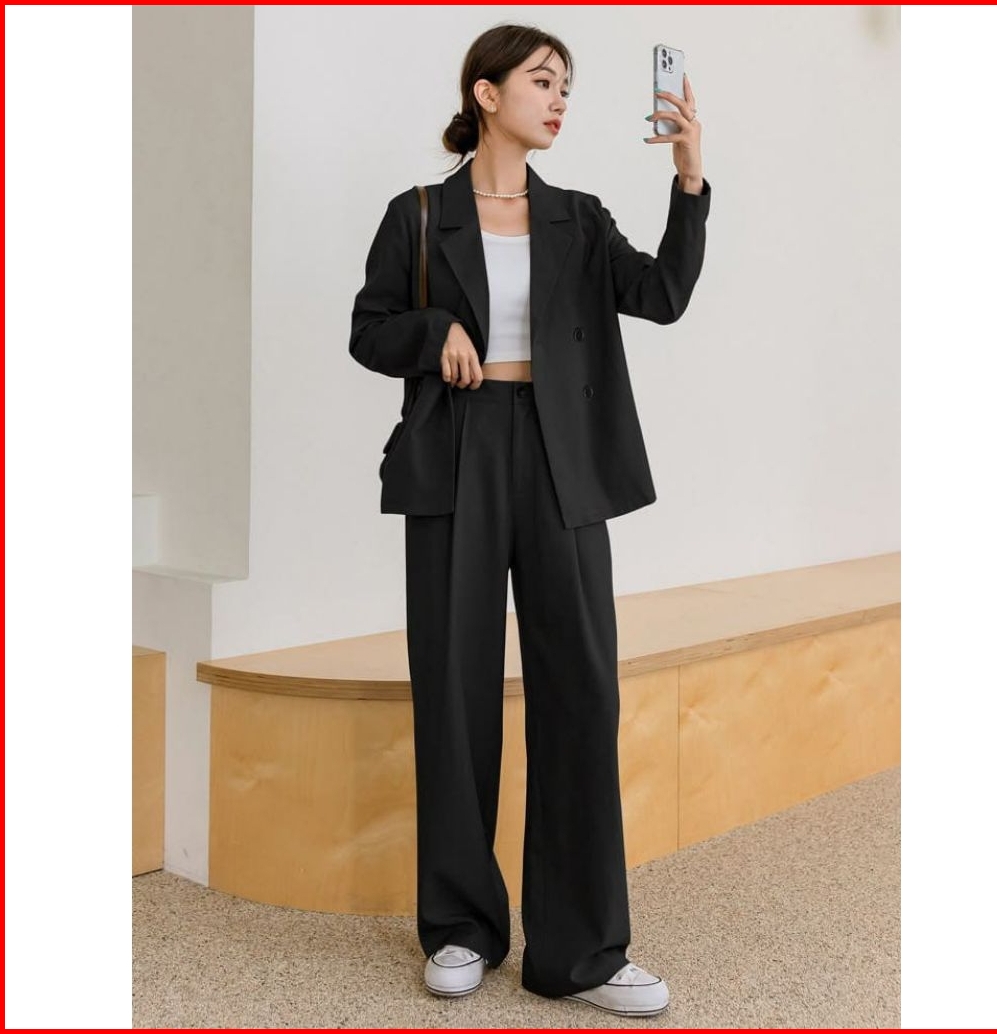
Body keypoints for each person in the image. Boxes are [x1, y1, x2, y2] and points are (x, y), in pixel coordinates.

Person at [349, 22, 710, 1018]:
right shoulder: (418, 214)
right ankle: (460, 925)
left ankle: (581, 950)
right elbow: (368, 330)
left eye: (566, 87)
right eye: (542, 81)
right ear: (486, 92)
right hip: (458, 454)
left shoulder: (578, 219)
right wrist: (435, 331)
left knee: (581, 689)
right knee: (454, 689)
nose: (559, 100)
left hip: (563, 460)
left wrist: (687, 179)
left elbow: (662, 295)